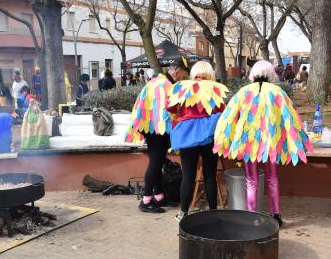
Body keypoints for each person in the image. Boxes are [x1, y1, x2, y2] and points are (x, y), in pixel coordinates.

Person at [213, 60, 313, 227]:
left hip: (248, 143)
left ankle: (252, 217)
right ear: (270, 73)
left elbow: (229, 117)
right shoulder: (278, 92)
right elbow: (289, 117)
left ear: (253, 73)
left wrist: (227, 139)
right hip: (270, 143)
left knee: (251, 180)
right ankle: (276, 215)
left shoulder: (244, 92)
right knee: (272, 178)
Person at [124, 57, 190, 213]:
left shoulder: (158, 81)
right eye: (184, 76)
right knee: (155, 162)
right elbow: (167, 112)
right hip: (156, 129)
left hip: (151, 127)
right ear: (177, 72)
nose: (184, 79)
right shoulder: (165, 85)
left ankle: (159, 196)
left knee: (159, 162)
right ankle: (146, 200)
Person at [166, 61, 229, 221]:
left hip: (188, 136)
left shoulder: (184, 87)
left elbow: (170, 107)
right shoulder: (215, 89)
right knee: (210, 175)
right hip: (209, 135)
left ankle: (183, 212)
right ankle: (213, 211)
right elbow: (223, 111)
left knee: (188, 176)